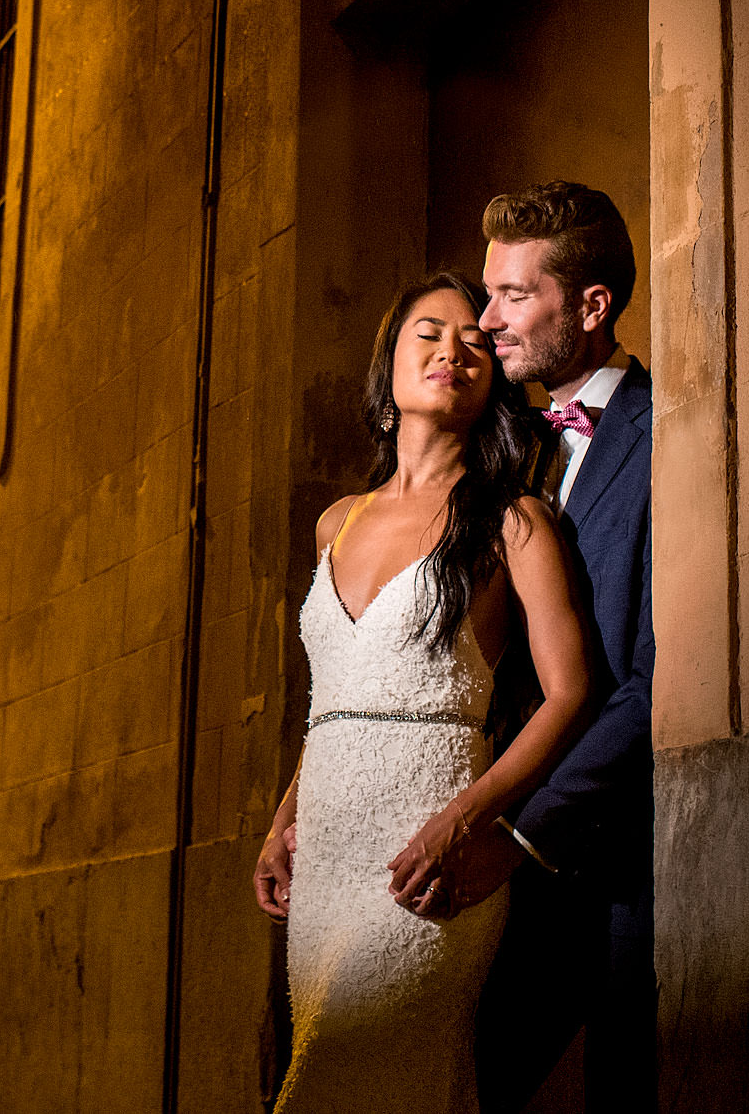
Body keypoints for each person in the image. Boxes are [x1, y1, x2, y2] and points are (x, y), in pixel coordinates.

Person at [254, 271, 593, 1112]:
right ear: (390, 368)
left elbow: (570, 692)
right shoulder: (337, 520)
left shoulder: (515, 519)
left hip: (428, 855)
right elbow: (330, 701)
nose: (453, 351)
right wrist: (280, 821)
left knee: (369, 1074)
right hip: (325, 858)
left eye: (475, 342)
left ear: (492, 381)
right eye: (428, 335)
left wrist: (467, 817)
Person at [468, 183, 655, 1112]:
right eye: (487, 291)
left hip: (609, 861)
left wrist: (521, 833)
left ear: (591, 305)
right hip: (511, 870)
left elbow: (653, 679)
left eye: (512, 295)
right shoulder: (516, 452)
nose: (486, 317)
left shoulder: (665, 434)